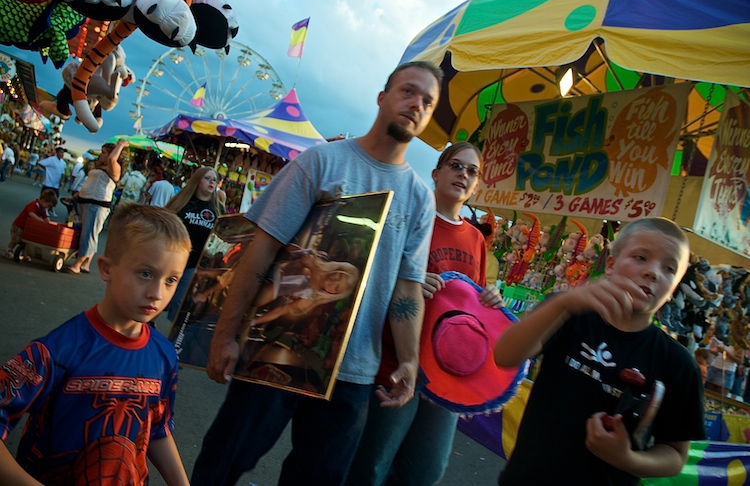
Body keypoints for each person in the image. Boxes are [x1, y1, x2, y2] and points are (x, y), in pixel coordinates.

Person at [190, 60, 442, 486]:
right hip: (276, 349)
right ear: (382, 97)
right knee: (222, 463)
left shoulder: (419, 198)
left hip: (353, 371)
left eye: (427, 101)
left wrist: (410, 360)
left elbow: (407, 289)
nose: (416, 104)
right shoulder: (321, 162)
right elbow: (260, 248)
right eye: (408, 92)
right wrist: (225, 336)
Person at [494, 217, 706, 485]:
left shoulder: (678, 364)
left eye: (669, 269)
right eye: (641, 257)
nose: (653, 272)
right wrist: (565, 303)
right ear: (611, 264)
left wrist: (627, 459)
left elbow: (675, 455)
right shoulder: (569, 313)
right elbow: (505, 355)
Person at [0, 202, 192, 486]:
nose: (156, 293)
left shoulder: (164, 356)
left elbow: (157, 429)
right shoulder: (57, 350)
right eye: (145, 273)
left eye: (171, 280)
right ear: (106, 268)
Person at [347, 142, 503, 486]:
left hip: (447, 374)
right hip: (397, 363)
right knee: (372, 465)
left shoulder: (476, 239)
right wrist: (409, 280)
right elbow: (371, 278)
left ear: (477, 184)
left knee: (425, 471)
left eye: (471, 171)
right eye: (456, 166)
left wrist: (490, 299)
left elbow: (470, 308)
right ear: (436, 173)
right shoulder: (411, 218)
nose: (463, 174)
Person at [164, 166, 224, 323]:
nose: (212, 182)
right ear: (197, 180)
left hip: (195, 265)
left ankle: (171, 336)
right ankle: (146, 325)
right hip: (173, 259)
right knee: (162, 295)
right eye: (207, 178)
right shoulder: (183, 202)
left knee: (180, 302)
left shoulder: (218, 209)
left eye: (214, 179)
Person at [63, 140, 128, 275]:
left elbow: (111, 158)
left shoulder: (114, 167)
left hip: (97, 204)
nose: (101, 155)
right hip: (84, 202)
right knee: (86, 232)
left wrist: (120, 145)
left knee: (89, 234)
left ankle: (78, 264)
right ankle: (85, 263)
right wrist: (76, 197)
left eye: (104, 152)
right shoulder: (100, 167)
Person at [4, 189, 58, 258]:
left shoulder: (42, 208)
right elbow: (31, 213)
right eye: (48, 205)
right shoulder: (34, 204)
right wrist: (40, 221)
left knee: (25, 240)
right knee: (16, 239)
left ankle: (24, 253)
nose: (47, 207)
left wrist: (48, 224)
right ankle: (8, 250)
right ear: (44, 201)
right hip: (19, 225)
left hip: (27, 227)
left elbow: (46, 217)